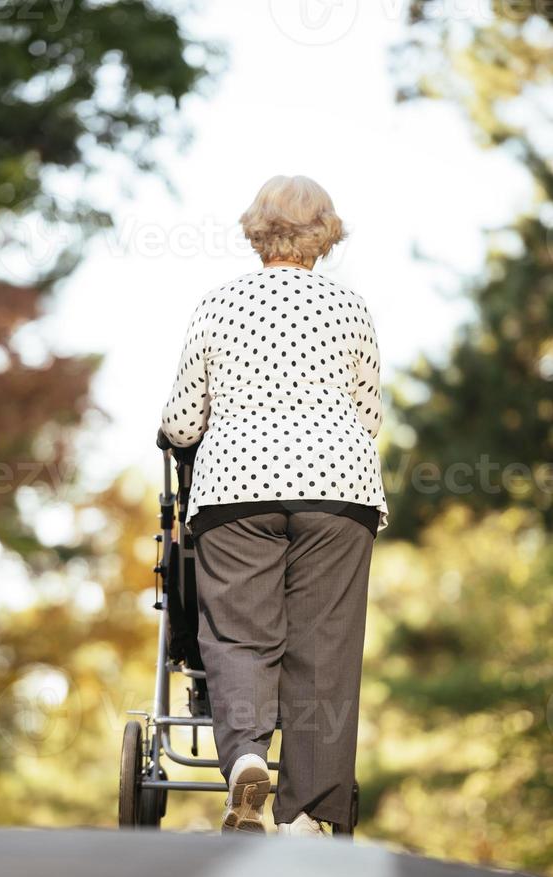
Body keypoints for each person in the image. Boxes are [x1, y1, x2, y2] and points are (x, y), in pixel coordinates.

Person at [160, 174, 388, 837]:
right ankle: (313, 818)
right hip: (337, 491)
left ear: (256, 229)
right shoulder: (351, 308)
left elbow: (181, 421)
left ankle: (247, 762)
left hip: (235, 490)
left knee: (238, 636)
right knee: (324, 655)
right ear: (326, 232)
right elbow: (368, 413)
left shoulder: (218, 305)